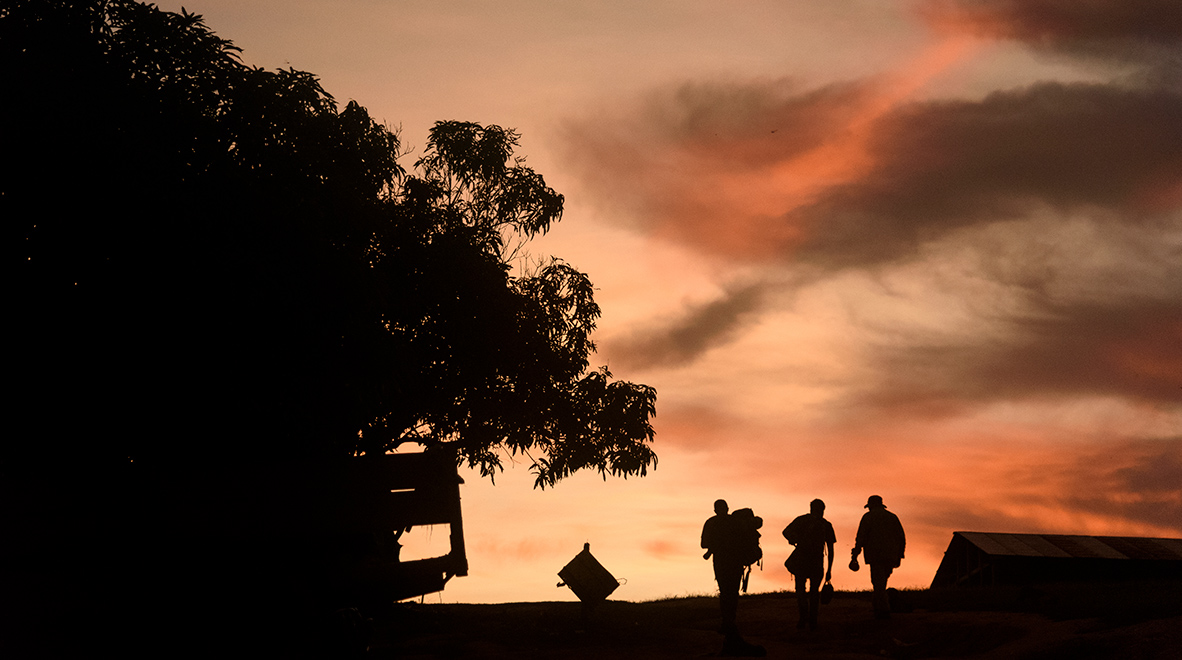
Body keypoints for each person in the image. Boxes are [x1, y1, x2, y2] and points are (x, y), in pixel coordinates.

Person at [782, 499, 835, 630]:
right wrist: (829, 570)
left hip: (801, 559)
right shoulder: (826, 525)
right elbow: (831, 549)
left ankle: (803, 618)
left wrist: (795, 540)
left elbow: (785, 532)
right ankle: (813, 621)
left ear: (811, 508)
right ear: (823, 509)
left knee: (800, 590)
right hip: (817, 561)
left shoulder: (802, 520)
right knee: (814, 592)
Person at [851, 495, 906, 619]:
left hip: (875, 555)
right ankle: (878, 607)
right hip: (891, 555)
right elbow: (901, 537)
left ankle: (883, 610)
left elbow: (861, 537)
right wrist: (900, 555)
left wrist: (855, 555)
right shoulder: (892, 517)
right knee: (881, 581)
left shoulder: (868, 517)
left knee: (878, 583)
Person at [702, 499, 742, 634]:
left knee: (724, 592)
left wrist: (715, 545)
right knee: (733, 592)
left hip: (721, 561)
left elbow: (703, 544)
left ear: (715, 510)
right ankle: (731, 621)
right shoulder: (736, 522)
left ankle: (727, 622)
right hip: (736, 561)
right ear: (728, 508)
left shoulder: (711, 523)